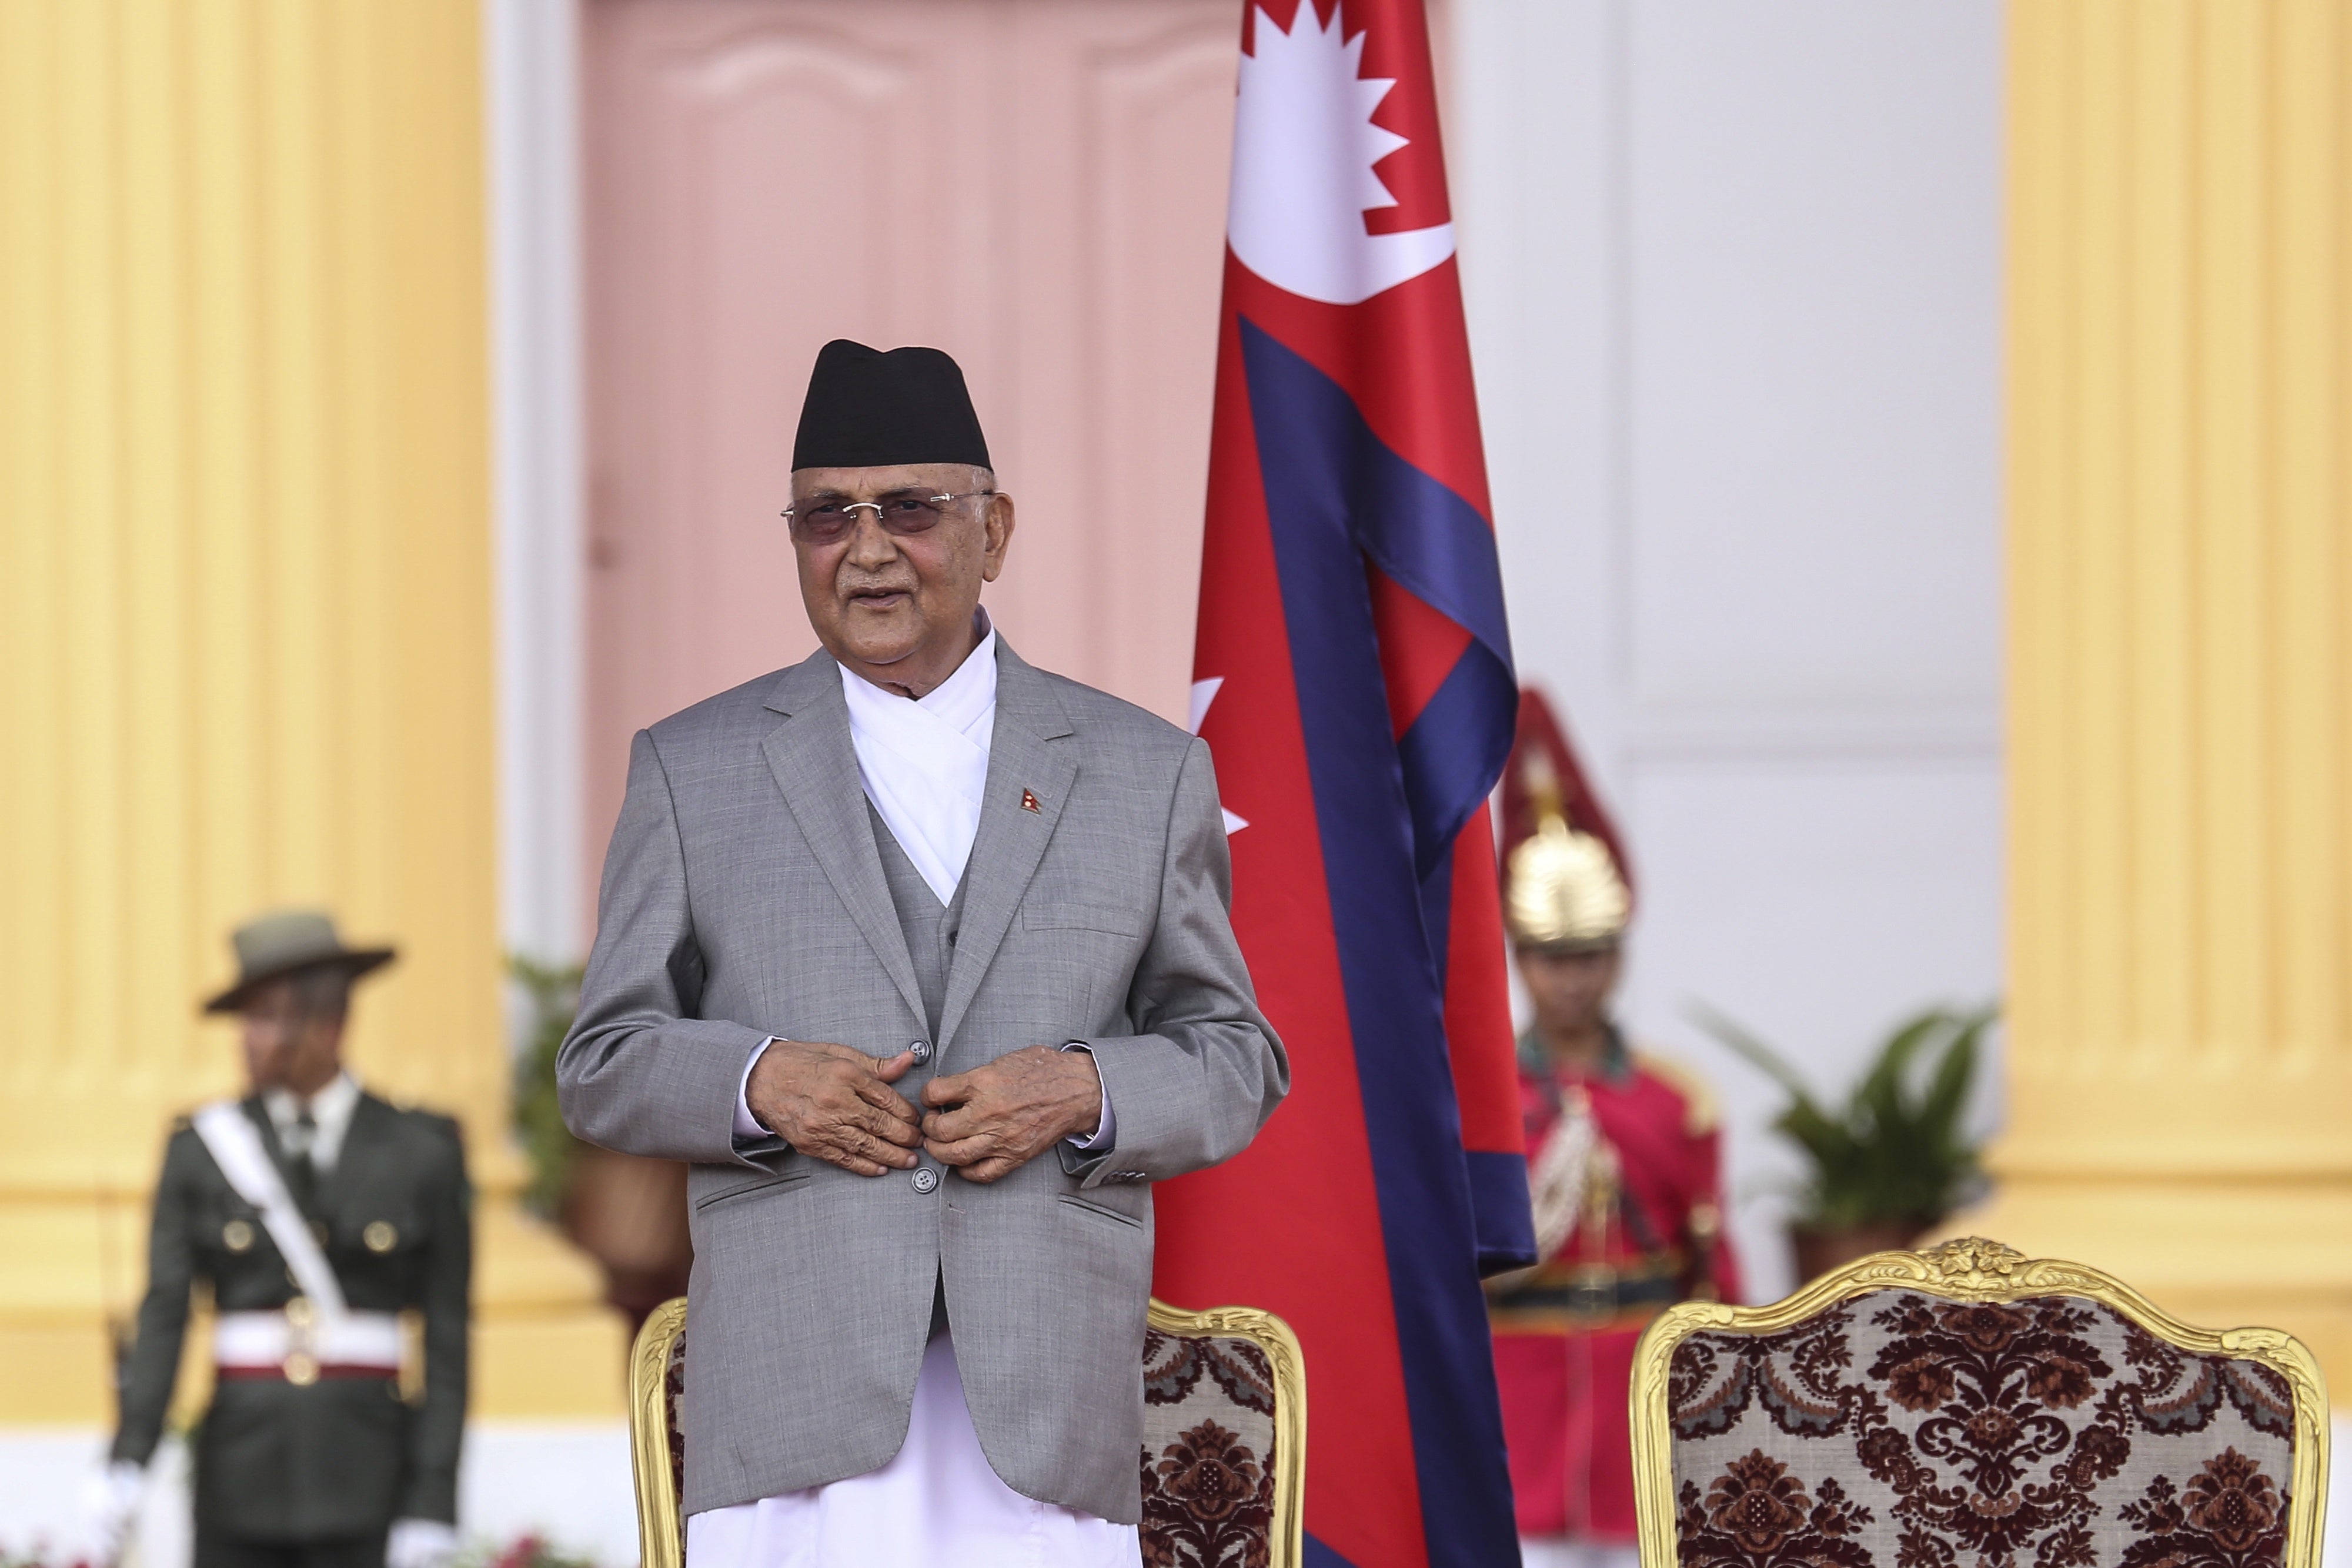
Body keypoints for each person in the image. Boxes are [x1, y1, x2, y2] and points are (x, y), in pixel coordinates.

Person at [557, 340, 1288, 1567]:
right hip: (792, 1416)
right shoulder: (695, 767)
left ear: (994, 532)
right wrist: (755, 1081)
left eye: (909, 507)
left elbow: (1235, 1057)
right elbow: (601, 1059)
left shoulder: (1141, 768)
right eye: (825, 516)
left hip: (1041, 1408)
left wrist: (1087, 1088)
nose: (869, 547)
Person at [101, 910, 470, 1568]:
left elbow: (447, 1339)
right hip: (239, 1479)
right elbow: (165, 1314)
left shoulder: (422, 1151)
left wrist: (433, 1500)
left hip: (369, 1472)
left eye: (269, 1018)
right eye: (248, 1019)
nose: (248, 1040)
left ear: (329, 1026)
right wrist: (129, 1458)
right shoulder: (200, 1150)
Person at [1487, 815, 1739, 1568]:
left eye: (1590, 956)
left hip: (1640, 1401)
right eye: (1550, 957)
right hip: (1517, 1402)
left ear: (1618, 958)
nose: (1572, 978)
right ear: (1521, 960)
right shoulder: (1479, 1099)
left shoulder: (1674, 1101)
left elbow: (1712, 1269)